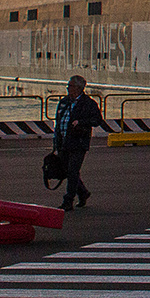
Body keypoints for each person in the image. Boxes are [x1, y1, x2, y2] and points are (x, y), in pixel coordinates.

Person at [52, 75, 104, 211]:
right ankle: (83, 192)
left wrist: (81, 122)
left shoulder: (88, 103)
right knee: (68, 171)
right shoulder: (64, 102)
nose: (68, 88)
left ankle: (68, 200)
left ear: (78, 88)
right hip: (63, 142)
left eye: (70, 86)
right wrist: (55, 145)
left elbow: (98, 120)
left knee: (73, 171)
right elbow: (58, 123)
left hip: (78, 142)